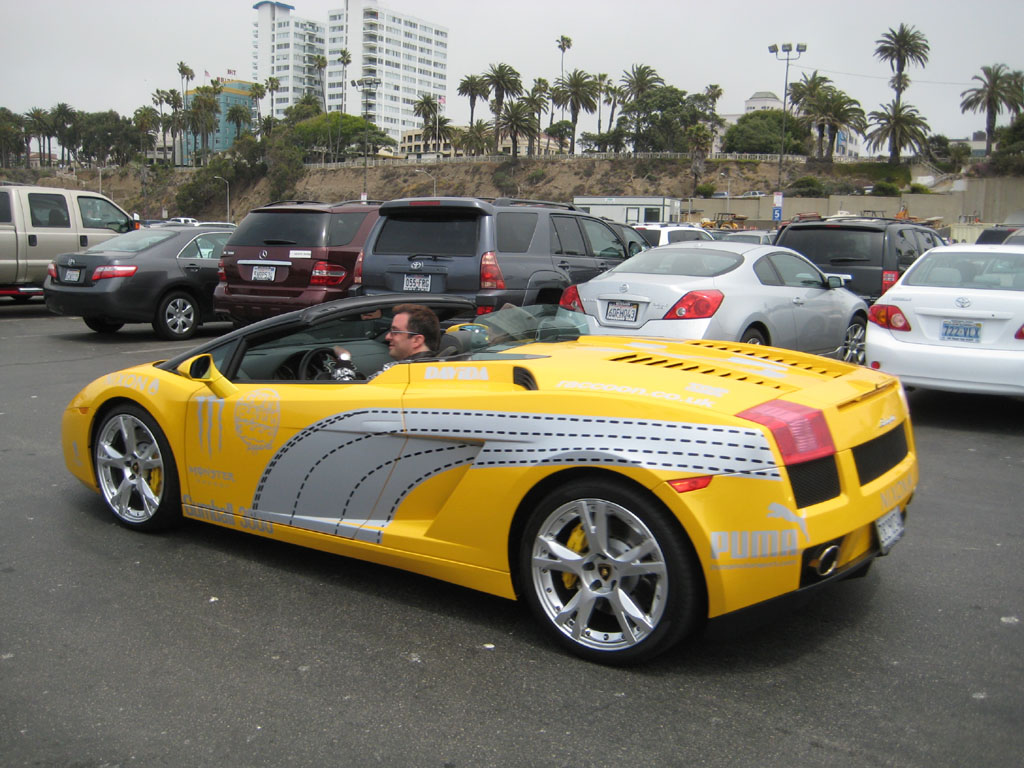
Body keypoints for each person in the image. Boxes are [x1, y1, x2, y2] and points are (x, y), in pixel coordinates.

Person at [332, 304, 440, 380]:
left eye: (395, 332)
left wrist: (343, 361)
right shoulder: (440, 371)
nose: (387, 337)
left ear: (417, 340)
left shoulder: (398, 373)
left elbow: (352, 396)